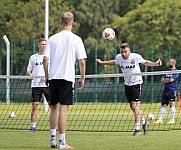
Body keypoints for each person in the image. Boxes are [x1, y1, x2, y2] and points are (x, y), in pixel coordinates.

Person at [96, 43, 162, 136]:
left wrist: (155, 64)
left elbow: (145, 62)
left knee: (135, 106)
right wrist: (102, 62)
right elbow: (113, 62)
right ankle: (144, 123)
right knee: (133, 107)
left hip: (137, 83)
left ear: (129, 51)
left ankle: (137, 129)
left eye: (125, 52)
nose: (123, 54)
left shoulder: (135, 57)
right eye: (122, 52)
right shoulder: (119, 57)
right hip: (127, 84)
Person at [43, 11, 87, 149]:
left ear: (60, 22)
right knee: (63, 109)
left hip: (54, 77)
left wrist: (46, 76)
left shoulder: (52, 38)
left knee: (54, 108)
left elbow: (45, 59)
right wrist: (82, 78)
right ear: (73, 22)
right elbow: (82, 62)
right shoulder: (76, 39)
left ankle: (52, 140)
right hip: (67, 77)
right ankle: (62, 142)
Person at [27, 38, 50, 132]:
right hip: (36, 85)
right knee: (35, 105)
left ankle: (55, 127)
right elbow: (28, 70)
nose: (43, 46)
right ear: (38, 45)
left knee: (52, 106)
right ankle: (33, 126)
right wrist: (31, 75)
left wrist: (47, 78)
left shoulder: (49, 57)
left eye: (45, 44)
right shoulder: (33, 57)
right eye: (42, 44)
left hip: (47, 84)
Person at [154, 59, 179, 124]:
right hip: (165, 90)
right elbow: (162, 80)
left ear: (173, 63)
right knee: (163, 104)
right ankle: (160, 119)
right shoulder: (167, 71)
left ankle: (172, 120)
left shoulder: (176, 71)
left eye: (170, 62)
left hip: (172, 90)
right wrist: (167, 80)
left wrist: (166, 80)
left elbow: (171, 80)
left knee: (172, 104)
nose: (168, 63)